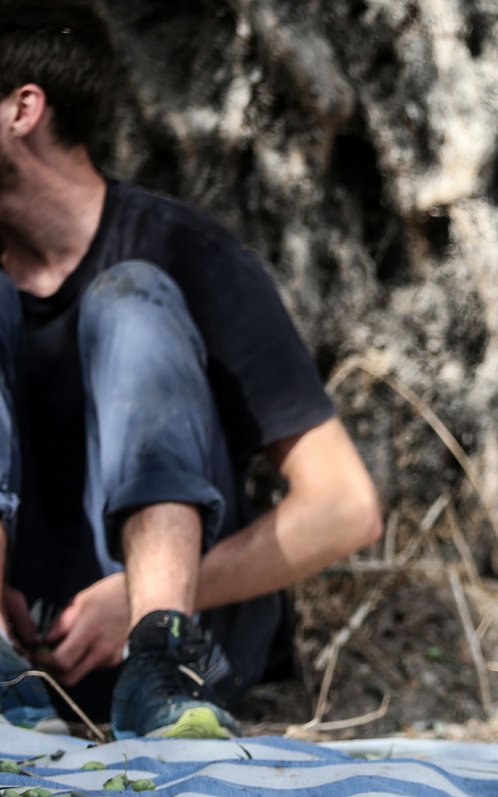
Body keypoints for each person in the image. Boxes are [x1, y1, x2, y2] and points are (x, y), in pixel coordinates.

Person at [0, 2, 381, 739]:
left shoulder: (193, 256)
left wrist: (132, 599)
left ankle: (160, 657)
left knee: (131, 301)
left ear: (23, 110)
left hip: (187, 649)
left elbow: (344, 506)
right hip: (27, 661)